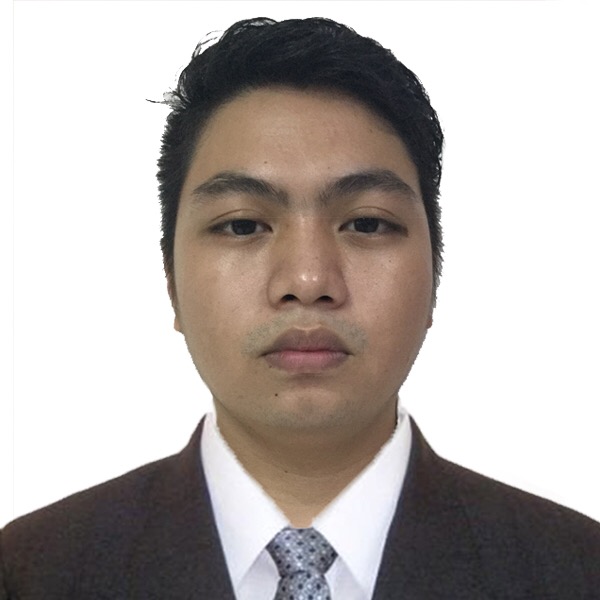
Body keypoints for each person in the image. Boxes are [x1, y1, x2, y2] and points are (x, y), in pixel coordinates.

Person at [2, 16, 599, 599]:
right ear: (171, 280)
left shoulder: (577, 572)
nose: (309, 281)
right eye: (243, 225)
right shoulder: (31, 573)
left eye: (366, 223)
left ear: (435, 274)